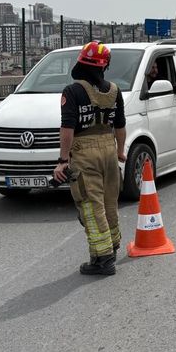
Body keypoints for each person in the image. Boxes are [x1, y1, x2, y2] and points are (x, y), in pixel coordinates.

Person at [53, 41, 126, 276]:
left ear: (81, 62)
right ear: (104, 66)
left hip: (85, 154)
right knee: (109, 202)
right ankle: (111, 248)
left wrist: (63, 160)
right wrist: (120, 150)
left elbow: (67, 128)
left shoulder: (72, 91)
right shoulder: (114, 91)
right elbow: (120, 126)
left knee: (90, 204)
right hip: (108, 149)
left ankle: (102, 259)